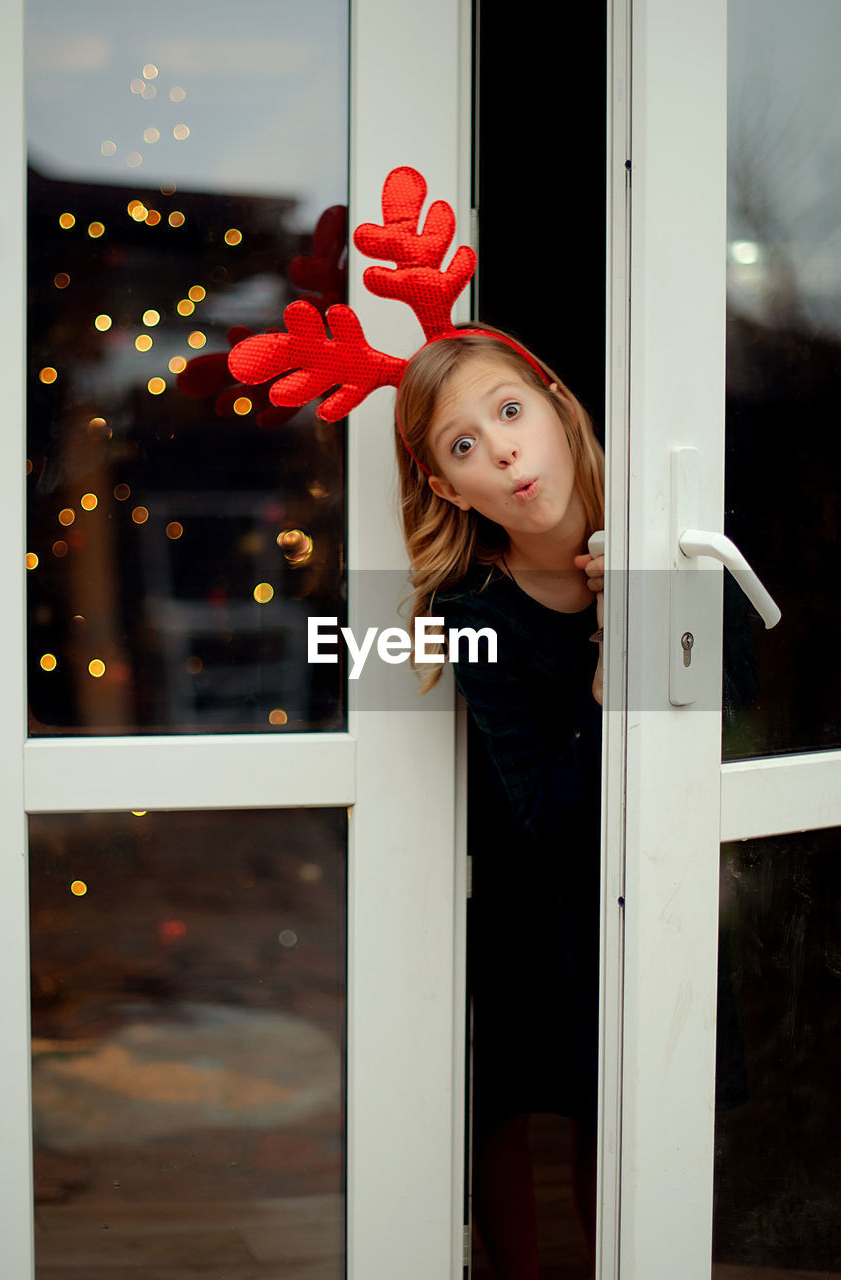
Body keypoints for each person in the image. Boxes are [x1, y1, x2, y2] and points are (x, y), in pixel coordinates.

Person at [394, 326, 605, 1280]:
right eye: (463, 446)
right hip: (523, 879)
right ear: (447, 489)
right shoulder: (475, 611)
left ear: (557, 406)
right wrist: (613, 657)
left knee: (622, 1105)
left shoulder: (673, 536)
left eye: (509, 411)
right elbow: (554, 814)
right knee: (505, 1094)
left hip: (651, 879)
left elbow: (735, 703)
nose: (504, 449)